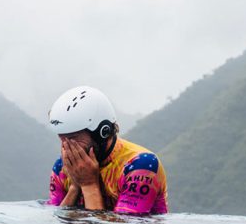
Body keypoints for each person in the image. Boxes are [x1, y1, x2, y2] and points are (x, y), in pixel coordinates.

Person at [47, 86, 168, 214]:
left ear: (102, 132)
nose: (66, 147)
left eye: (73, 138)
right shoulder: (62, 166)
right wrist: (75, 187)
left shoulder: (141, 165)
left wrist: (88, 184)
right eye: (61, 138)